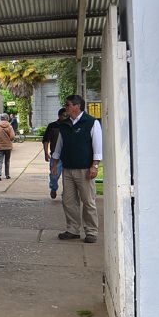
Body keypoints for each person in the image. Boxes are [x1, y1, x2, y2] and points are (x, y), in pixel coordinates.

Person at [50, 94, 103, 244]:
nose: (66, 107)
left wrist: (95, 165)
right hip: (67, 169)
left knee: (88, 201)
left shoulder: (91, 123)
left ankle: (91, 231)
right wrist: (55, 162)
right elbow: (60, 145)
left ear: (77, 106)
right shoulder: (64, 124)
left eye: (68, 105)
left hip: (85, 169)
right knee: (68, 201)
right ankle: (72, 230)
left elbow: (97, 146)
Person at [42, 108, 68, 199]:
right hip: (55, 156)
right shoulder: (52, 126)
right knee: (54, 175)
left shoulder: (70, 125)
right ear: (59, 116)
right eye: (64, 115)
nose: (66, 117)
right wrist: (46, 153)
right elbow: (45, 140)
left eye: (67, 115)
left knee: (68, 177)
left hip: (68, 156)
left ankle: (66, 193)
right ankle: (53, 188)